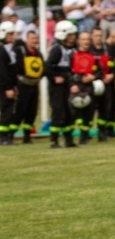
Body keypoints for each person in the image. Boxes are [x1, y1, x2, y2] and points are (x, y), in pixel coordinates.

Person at [45, 20, 78, 148]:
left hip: (65, 85)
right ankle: (54, 140)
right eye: (70, 35)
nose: (73, 37)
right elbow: (47, 67)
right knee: (58, 111)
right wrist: (54, 78)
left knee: (68, 112)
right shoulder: (57, 49)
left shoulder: (70, 50)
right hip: (57, 87)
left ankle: (68, 139)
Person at [12, 30, 44, 144]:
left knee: (32, 112)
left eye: (36, 38)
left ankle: (27, 136)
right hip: (22, 85)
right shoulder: (19, 51)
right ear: (27, 39)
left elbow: (43, 68)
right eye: (32, 38)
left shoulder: (38, 53)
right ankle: (9, 135)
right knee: (20, 110)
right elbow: (14, 68)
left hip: (34, 86)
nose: (34, 41)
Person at [88, 27, 115, 141]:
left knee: (105, 108)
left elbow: (113, 64)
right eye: (96, 36)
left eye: (100, 35)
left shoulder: (107, 49)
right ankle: (86, 132)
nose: (98, 38)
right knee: (90, 108)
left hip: (106, 83)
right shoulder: (88, 50)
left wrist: (112, 75)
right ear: (92, 36)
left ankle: (102, 132)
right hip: (92, 83)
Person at [0, 21, 17, 146]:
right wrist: (8, 87)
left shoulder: (8, 49)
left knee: (9, 111)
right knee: (6, 111)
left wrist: (14, 86)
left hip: (9, 86)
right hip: (4, 87)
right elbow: (3, 71)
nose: (12, 36)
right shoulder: (1, 50)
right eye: (9, 34)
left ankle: (7, 136)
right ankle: (3, 137)